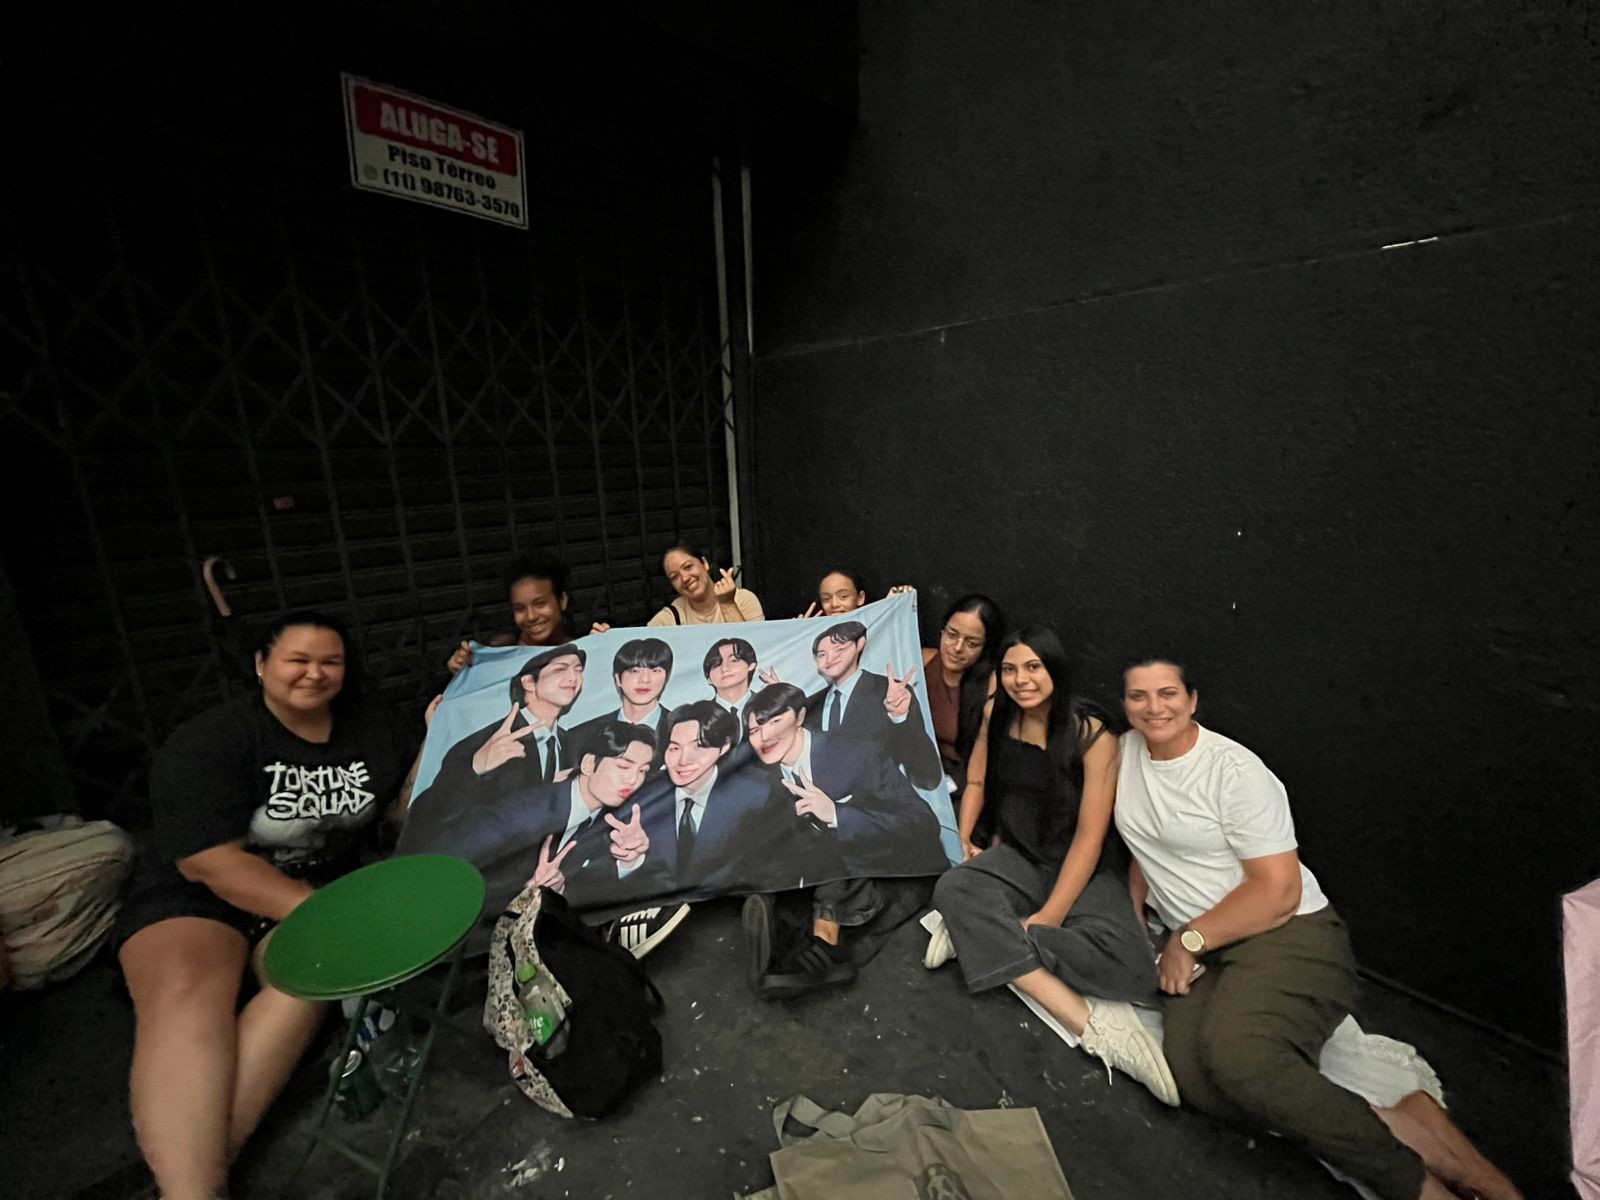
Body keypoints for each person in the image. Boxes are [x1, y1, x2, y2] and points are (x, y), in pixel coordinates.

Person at [1115, 657, 1523, 1200]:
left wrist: (1188, 941)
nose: (1153, 707)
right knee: (1195, 1080)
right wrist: (1139, 922)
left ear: (1192, 700)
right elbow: (1147, 845)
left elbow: (1278, 891)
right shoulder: (1127, 753)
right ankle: (1400, 1120)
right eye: (1138, 696)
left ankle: (1422, 1183)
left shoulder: (1234, 772)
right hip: (1210, 949)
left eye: (1167, 693)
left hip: (1286, 935)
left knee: (1240, 1058)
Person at [114, 612, 414, 1200]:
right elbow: (207, 861)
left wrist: (436, 735)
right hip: (199, 896)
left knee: (310, 979)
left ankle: (191, 1182)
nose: (314, 674)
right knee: (186, 995)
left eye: (330, 662)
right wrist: (320, 913)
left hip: (312, 892)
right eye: (297, 660)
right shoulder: (212, 740)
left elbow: (400, 809)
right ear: (260, 664)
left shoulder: (373, 730)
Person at [930, 627, 1175, 1104]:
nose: (1021, 680)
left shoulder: (1091, 733)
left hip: (1081, 867)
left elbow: (1090, 837)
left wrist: (1049, 916)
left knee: (1133, 968)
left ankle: (980, 935)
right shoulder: (998, 715)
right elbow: (976, 780)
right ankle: (1094, 1027)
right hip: (1020, 855)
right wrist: (962, 838)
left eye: (1033, 667)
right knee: (952, 888)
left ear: (1054, 670)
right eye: (1010, 669)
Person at [742, 682, 947, 995]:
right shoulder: (765, 774)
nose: (764, 736)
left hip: (896, 868)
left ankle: (823, 944)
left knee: (829, 870)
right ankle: (796, 943)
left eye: (775, 722)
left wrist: (837, 815)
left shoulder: (854, 752)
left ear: (800, 717)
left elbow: (923, 824)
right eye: (755, 730)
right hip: (827, 874)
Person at [413, 645, 586, 811]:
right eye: (560, 669)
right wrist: (476, 768)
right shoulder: (482, 743)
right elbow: (429, 812)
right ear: (528, 682)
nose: (573, 677)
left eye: (578, 670)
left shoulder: (576, 744)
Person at [634, 700, 776, 894]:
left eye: (698, 747)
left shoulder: (754, 796)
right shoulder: (644, 798)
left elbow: (771, 872)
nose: (683, 761)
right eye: (674, 748)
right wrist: (630, 862)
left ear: (724, 747)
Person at [805, 619, 943, 790]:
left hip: (880, 802)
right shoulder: (811, 705)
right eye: (822, 654)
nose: (830, 659)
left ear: (860, 644)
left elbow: (927, 777)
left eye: (839, 649)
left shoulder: (889, 692)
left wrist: (899, 717)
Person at [919, 593, 1004, 794]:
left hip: (958, 787)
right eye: (951, 634)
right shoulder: (922, 660)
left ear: (985, 648)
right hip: (910, 774)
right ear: (942, 631)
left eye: (971, 643)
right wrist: (893, 603)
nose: (957, 648)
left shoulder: (991, 685)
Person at [445, 554, 575, 676]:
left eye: (540, 604)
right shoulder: (497, 654)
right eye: (519, 609)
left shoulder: (580, 649)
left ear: (562, 600)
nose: (531, 617)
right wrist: (462, 666)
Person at [568, 638, 674, 766]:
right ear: (618, 679)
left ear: (666, 678)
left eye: (655, 670)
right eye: (634, 670)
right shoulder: (581, 736)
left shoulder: (683, 731)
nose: (645, 680)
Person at [647, 542, 764, 626]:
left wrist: (728, 604)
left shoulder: (743, 600)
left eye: (688, 567)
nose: (685, 578)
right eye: (674, 577)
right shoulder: (669, 619)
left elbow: (755, 648)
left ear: (705, 563)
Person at [703, 636, 761, 740]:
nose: (725, 668)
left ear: (751, 665)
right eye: (717, 664)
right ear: (709, 679)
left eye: (734, 660)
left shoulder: (769, 707)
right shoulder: (699, 716)